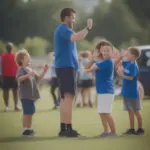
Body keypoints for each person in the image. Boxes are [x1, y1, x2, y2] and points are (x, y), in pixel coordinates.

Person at [54, 8, 93, 137]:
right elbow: (77, 37)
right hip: (66, 67)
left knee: (65, 98)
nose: (74, 19)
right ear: (66, 17)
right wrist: (87, 28)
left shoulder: (64, 29)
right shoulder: (64, 29)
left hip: (65, 67)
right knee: (69, 98)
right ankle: (69, 130)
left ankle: (63, 129)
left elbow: (75, 37)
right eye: (72, 17)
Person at [85, 40, 116, 137]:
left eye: (108, 50)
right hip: (102, 90)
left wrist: (92, 59)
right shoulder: (102, 62)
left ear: (112, 53)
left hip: (106, 90)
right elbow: (89, 67)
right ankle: (106, 132)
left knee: (105, 112)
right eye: (104, 50)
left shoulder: (107, 62)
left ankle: (113, 132)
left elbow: (87, 69)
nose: (105, 52)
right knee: (102, 112)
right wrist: (93, 59)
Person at [15, 49, 48, 136]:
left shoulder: (30, 69)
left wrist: (44, 71)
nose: (29, 58)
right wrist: (28, 75)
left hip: (31, 95)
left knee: (31, 111)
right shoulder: (21, 69)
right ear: (22, 60)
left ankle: (29, 129)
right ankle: (26, 130)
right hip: (25, 95)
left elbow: (39, 78)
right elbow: (19, 79)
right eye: (27, 57)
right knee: (27, 112)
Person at [117, 47, 144, 135]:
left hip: (132, 93)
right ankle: (131, 129)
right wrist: (122, 56)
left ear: (133, 55)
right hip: (126, 91)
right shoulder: (128, 63)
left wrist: (122, 75)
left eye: (128, 54)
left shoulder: (134, 66)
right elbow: (119, 62)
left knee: (136, 111)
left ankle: (140, 129)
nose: (126, 55)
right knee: (129, 111)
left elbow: (131, 77)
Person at [1, 42, 19, 112]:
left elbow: (18, 66)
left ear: (12, 48)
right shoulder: (2, 56)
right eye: (8, 47)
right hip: (5, 76)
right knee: (6, 91)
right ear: (7, 48)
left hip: (14, 76)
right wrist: (1, 76)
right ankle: (6, 106)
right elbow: (1, 66)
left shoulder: (15, 56)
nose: (10, 48)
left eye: (10, 47)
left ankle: (16, 106)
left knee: (15, 91)